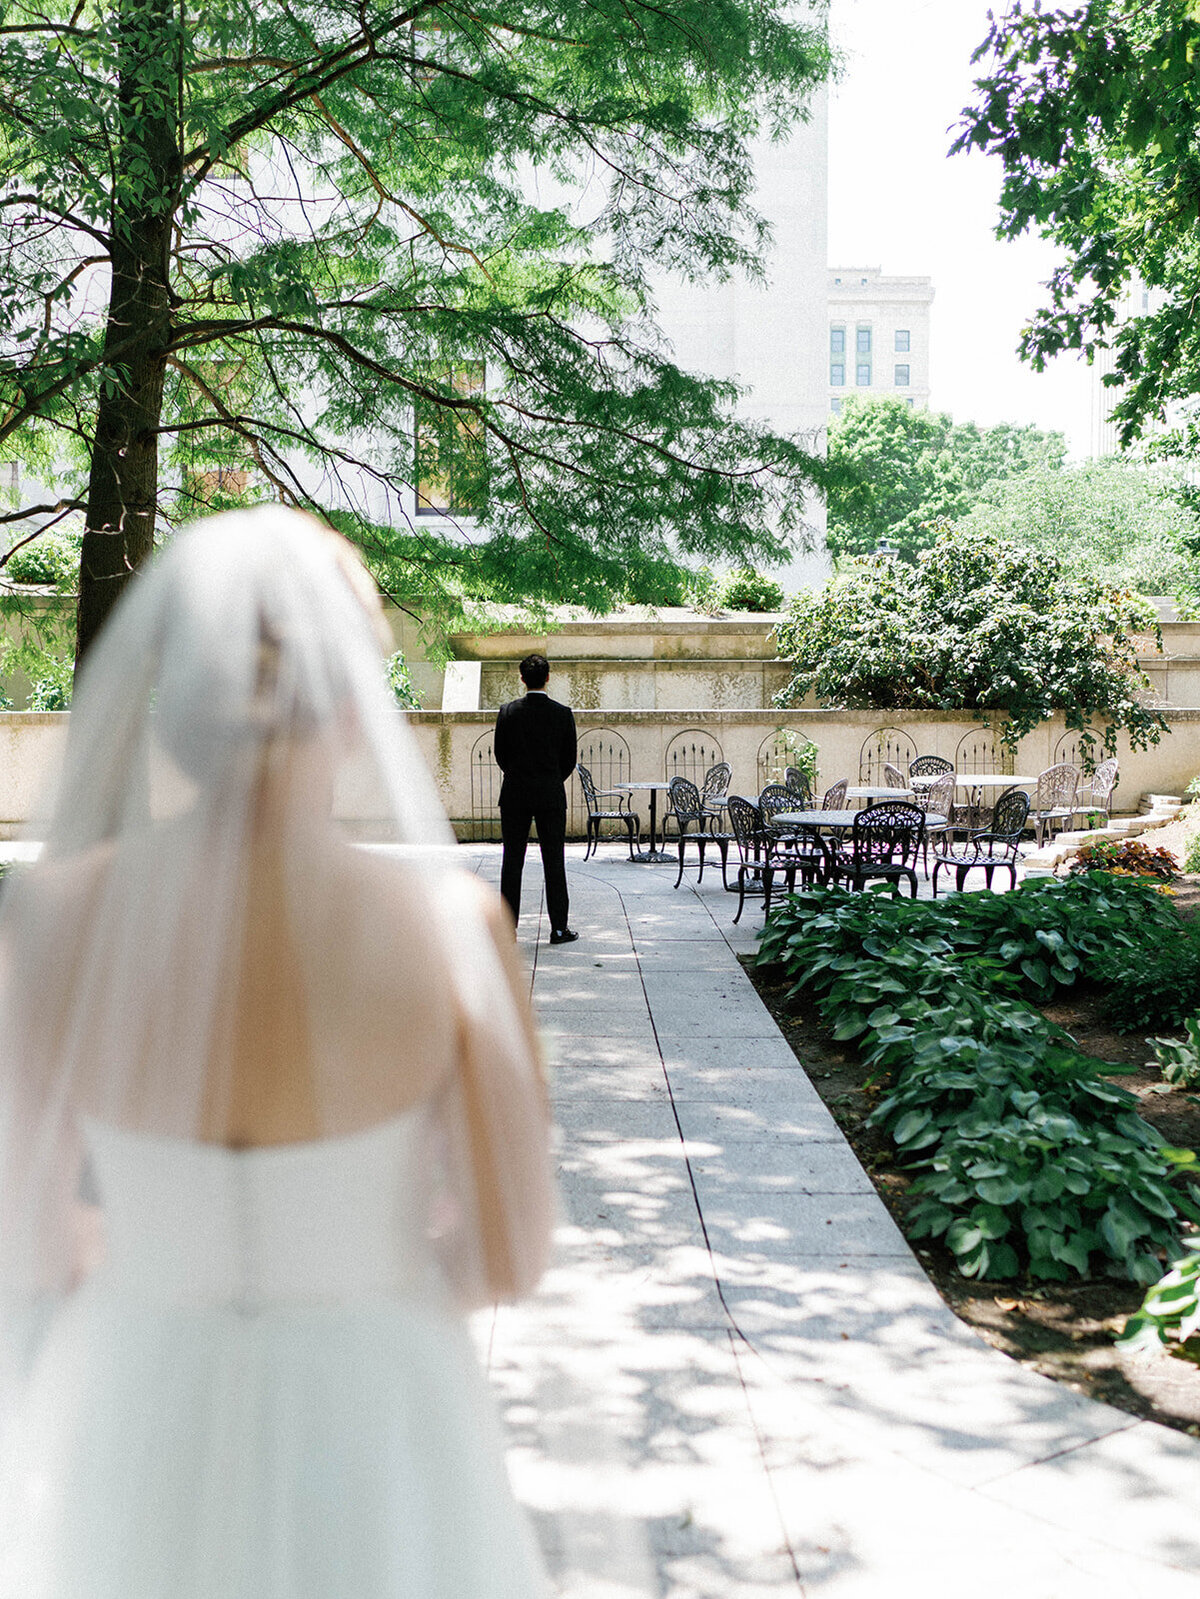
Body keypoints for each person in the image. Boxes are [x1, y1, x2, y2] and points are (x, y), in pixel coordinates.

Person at [0, 509, 556, 1598]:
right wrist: (361, 1274)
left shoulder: (50, 920)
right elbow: (508, 1254)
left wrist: (152, 1259)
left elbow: (27, 1236)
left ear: (173, 713)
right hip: (376, 1400)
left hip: (132, 1387)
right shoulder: (449, 929)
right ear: (352, 710)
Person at [494, 654, 579, 945]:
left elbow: (500, 755)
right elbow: (569, 759)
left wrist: (518, 775)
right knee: (554, 862)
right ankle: (558, 928)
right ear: (547, 677)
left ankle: (507, 930)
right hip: (550, 795)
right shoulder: (562, 713)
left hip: (515, 794)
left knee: (512, 861)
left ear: (522, 678)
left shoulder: (508, 712)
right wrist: (550, 779)